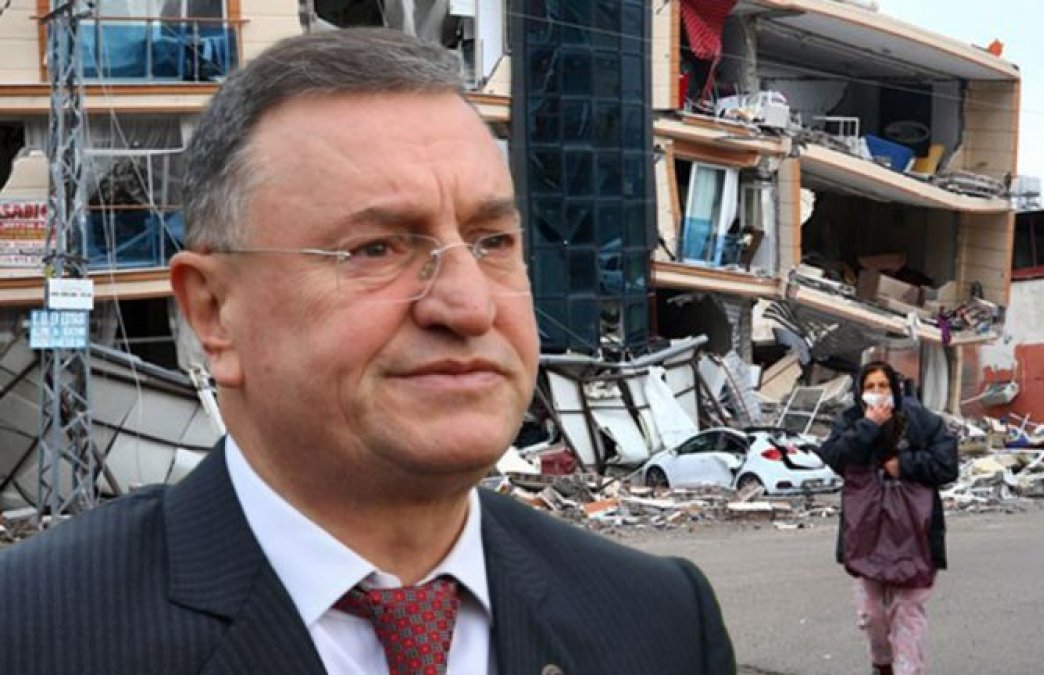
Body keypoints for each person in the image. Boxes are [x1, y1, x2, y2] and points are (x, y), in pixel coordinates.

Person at [0, 29, 736, 675]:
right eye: (376, 248)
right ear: (215, 313)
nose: (470, 306)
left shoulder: (661, 620)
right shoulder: (35, 633)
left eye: (492, 242)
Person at [817, 361, 958, 675]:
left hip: (915, 534)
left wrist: (904, 465)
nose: (877, 393)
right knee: (871, 614)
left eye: (883, 386)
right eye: (870, 387)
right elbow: (835, 457)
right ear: (859, 392)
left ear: (895, 388)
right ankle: (882, 665)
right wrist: (868, 426)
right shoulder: (851, 421)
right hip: (866, 534)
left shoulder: (921, 421)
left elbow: (947, 464)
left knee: (907, 610)